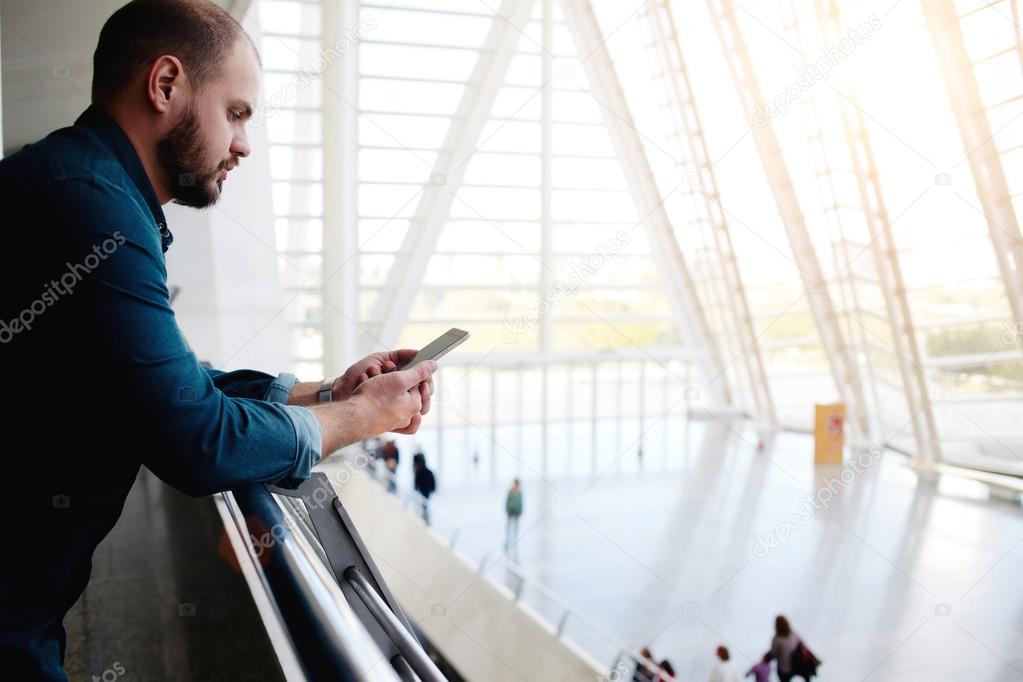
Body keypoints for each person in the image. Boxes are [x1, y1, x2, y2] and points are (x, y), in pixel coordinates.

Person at [0, 2, 439, 679]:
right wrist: (362, 417)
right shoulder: (90, 208)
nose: (244, 145)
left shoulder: (85, 187)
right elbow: (194, 437)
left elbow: (170, 381)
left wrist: (328, 392)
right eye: (236, 113)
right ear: (165, 84)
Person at [764, 615, 800, 682]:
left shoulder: (776, 639)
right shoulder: (794, 634)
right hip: (795, 665)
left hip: (784, 669)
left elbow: (774, 654)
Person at [413, 452, 436, 525]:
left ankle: (425, 517)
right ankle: (425, 516)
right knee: (424, 503)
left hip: (425, 489)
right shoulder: (426, 471)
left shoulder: (421, 472)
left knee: (424, 503)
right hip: (425, 489)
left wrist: (416, 488)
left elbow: (417, 482)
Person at [505, 479, 523, 549]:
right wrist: (507, 509)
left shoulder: (519, 492)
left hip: (517, 511)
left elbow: (521, 503)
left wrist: (521, 510)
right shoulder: (510, 491)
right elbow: (507, 501)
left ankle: (515, 538)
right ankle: (507, 539)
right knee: (509, 525)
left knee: (516, 525)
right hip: (510, 510)